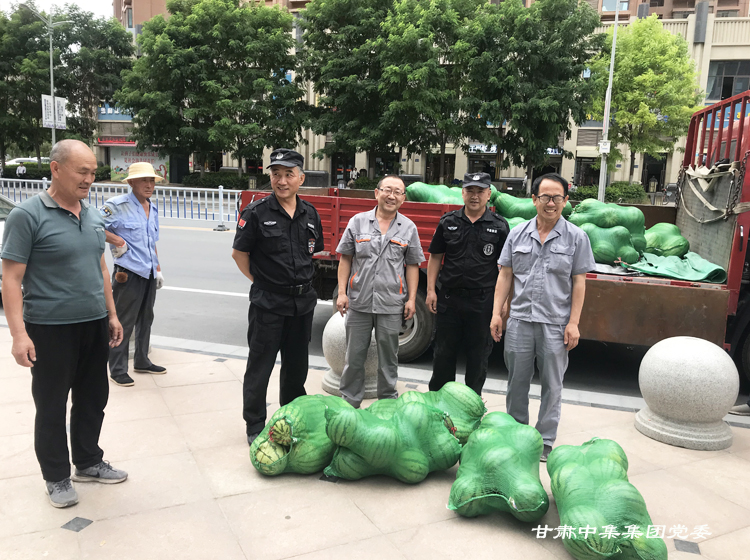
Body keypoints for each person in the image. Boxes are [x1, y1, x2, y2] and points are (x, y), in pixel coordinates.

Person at [1, 139, 127, 509]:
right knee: (52, 405)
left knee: (93, 398)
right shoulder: (27, 216)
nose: (89, 179)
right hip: (49, 328)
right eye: (82, 171)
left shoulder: (93, 215)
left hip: (93, 323)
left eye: (93, 172)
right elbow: (10, 279)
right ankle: (56, 476)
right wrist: (19, 335)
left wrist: (112, 314)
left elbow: (100, 268)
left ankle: (88, 461)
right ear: (56, 169)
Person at [489, 173, 595, 462]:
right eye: (545, 197)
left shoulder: (577, 237)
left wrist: (573, 323)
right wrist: (497, 313)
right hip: (520, 320)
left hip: (555, 323)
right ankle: (516, 435)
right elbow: (505, 275)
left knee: (552, 386)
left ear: (566, 200)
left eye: (557, 197)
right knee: (516, 383)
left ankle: (545, 441)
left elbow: (579, 283)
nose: (551, 203)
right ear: (534, 199)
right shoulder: (517, 233)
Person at [232, 148, 324, 445]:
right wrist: (262, 282)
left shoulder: (310, 214)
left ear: (301, 179)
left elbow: (313, 253)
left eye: (288, 175)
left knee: (296, 368)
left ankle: (292, 417)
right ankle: (255, 423)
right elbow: (239, 254)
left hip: (302, 304)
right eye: (276, 175)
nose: (281, 181)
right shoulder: (256, 213)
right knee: (260, 366)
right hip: (268, 304)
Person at [336, 175, 425, 408]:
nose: (391, 196)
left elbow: (412, 266)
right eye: (387, 190)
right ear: (377, 193)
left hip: (391, 304)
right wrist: (342, 293)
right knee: (354, 357)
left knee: (389, 360)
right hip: (359, 301)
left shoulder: (408, 227)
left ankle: (387, 405)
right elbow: (345, 258)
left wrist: (412, 299)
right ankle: (349, 404)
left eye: (397, 192)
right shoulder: (358, 222)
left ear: (403, 198)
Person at [426, 172, 509, 396]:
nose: (475, 196)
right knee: (443, 355)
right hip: (449, 300)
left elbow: (506, 269)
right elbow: (435, 257)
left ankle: (472, 403)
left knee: (478, 358)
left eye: (480, 191)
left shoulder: (499, 226)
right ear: (462, 193)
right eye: (470, 191)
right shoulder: (448, 222)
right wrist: (431, 290)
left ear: (489, 194)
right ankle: (438, 401)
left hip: (482, 302)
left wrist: (503, 302)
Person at [100, 162, 166, 387]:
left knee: (146, 318)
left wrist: (158, 269)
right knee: (123, 321)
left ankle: (142, 360)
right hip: (128, 273)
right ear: (131, 182)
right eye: (143, 180)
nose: (149, 185)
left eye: (152, 181)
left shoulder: (152, 208)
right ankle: (117, 369)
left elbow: (151, 242)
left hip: (148, 271)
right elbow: (95, 226)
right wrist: (117, 240)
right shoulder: (117, 206)